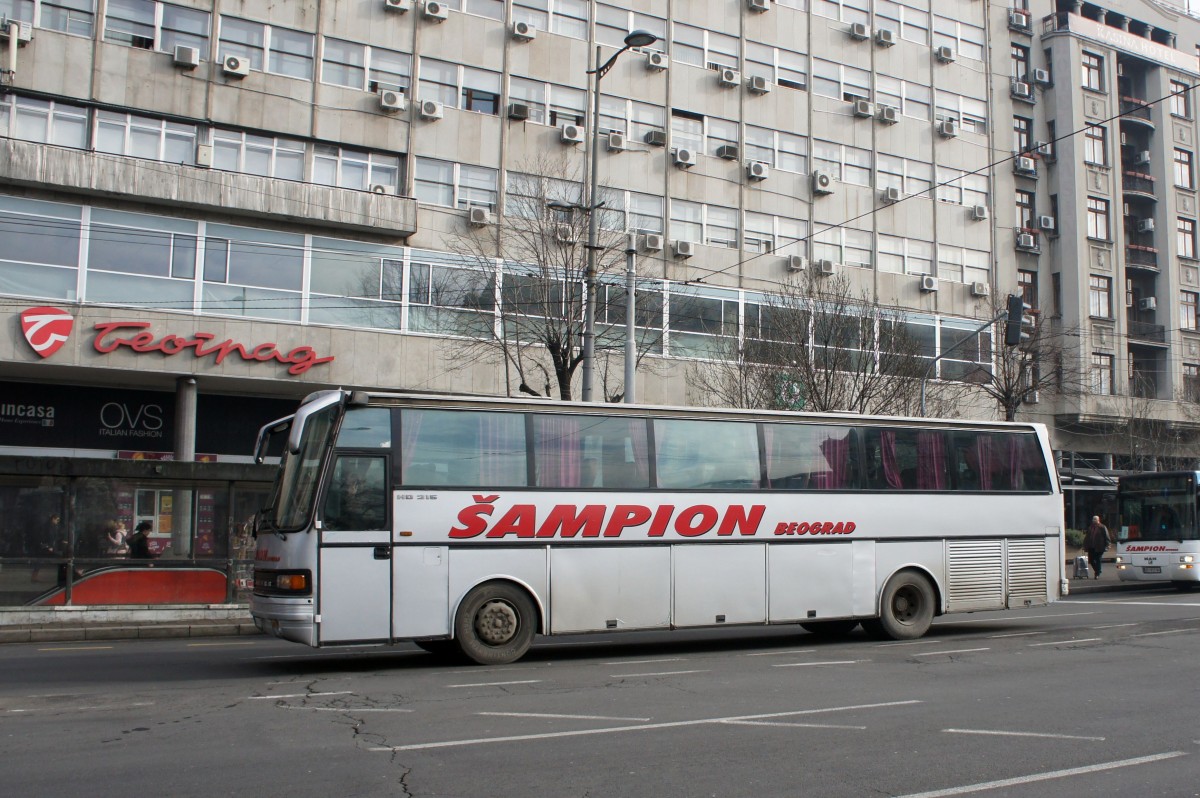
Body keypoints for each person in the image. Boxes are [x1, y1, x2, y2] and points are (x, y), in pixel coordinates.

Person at [1084, 515, 1111, 579]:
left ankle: (1097, 574)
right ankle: (1097, 570)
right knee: (1091, 560)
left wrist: (1108, 545)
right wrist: (1085, 545)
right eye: (1093, 519)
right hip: (1091, 547)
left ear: (1098, 520)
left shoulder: (1102, 527)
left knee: (1098, 559)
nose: (1093, 520)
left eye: (1095, 519)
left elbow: (1106, 537)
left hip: (1099, 546)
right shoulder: (1090, 527)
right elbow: (1087, 537)